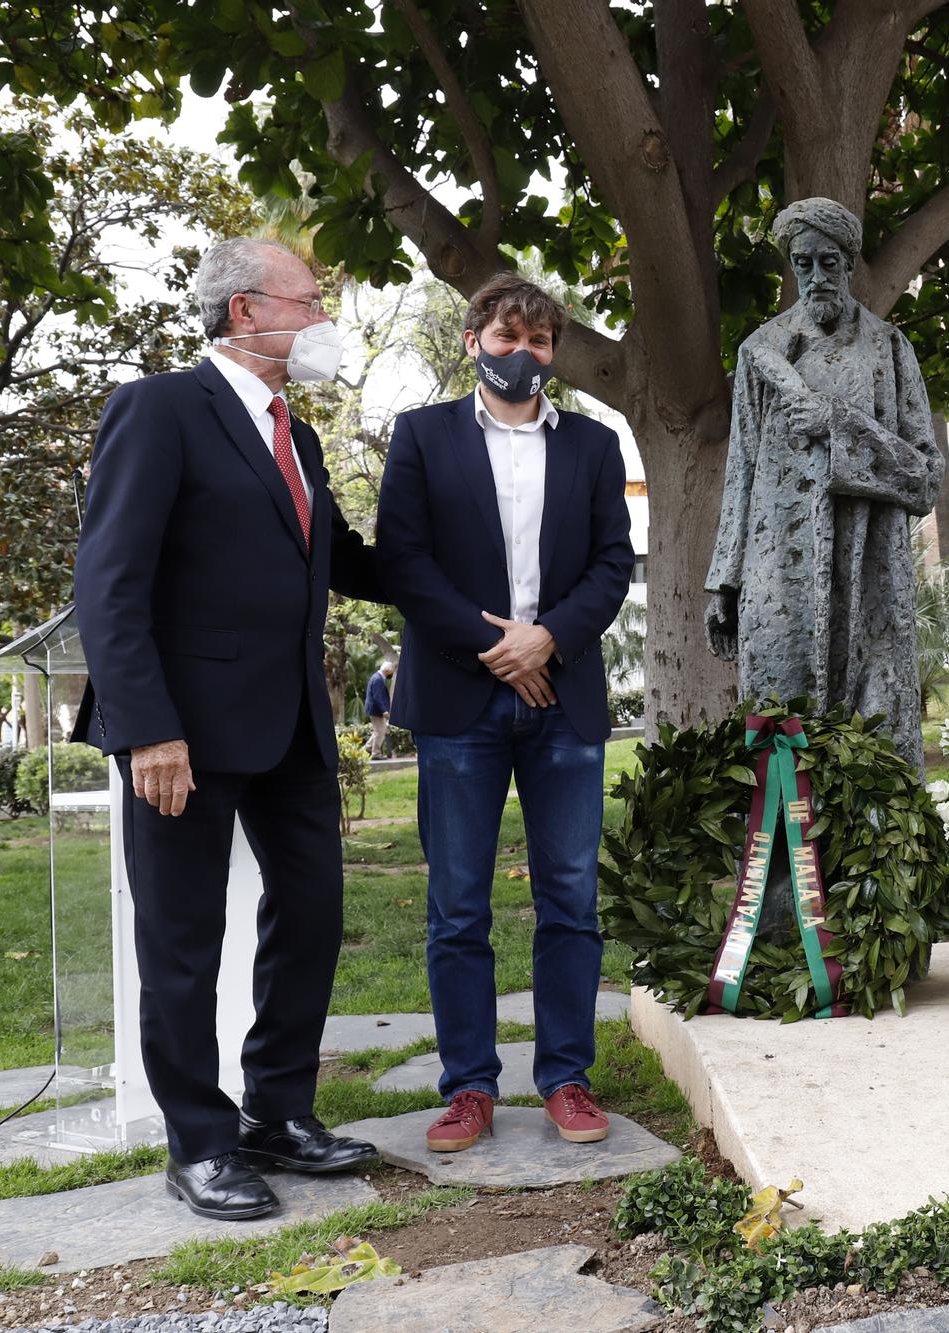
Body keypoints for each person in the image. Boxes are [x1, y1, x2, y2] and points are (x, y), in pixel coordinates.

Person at [72, 237, 383, 1221]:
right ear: (248, 310)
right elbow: (108, 581)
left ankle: (276, 1113)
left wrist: (475, 580)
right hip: (181, 734)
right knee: (182, 940)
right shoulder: (161, 410)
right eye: (311, 297)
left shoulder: (301, 435)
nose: (323, 314)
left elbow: (342, 560)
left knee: (313, 917)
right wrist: (147, 726)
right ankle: (198, 1144)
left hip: (292, 724)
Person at [376, 275, 634, 1155]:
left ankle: (566, 1075)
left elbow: (611, 564)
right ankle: (468, 1088)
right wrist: (498, 649)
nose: (522, 354)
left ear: (554, 353)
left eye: (540, 341)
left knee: (569, 895)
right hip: (458, 698)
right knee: (457, 905)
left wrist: (548, 640)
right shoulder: (420, 436)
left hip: (564, 701)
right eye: (506, 335)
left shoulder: (596, 447)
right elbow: (404, 562)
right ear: (472, 338)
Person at [704, 197, 940, 772]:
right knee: (779, 722)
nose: (815, 277)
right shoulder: (762, 354)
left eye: (828, 262)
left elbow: (925, 478)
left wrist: (839, 425)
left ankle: (874, 862)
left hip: (869, 575)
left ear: (850, 263)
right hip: (778, 575)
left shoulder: (888, 349)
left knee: (874, 735)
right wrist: (724, 579)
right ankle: (781, 862)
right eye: (802, 263)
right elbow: (740, 471)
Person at [365, 661, 394, 757]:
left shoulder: (377, 677)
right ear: (388, 670)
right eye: (392, 671)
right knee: (380, 732)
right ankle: (376, 753)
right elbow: (377, 697)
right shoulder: (378, 679)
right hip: (376, 710)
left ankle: (368, 748)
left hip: (374, 710)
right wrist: (384, 710)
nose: (392, 674)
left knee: (378, 731)